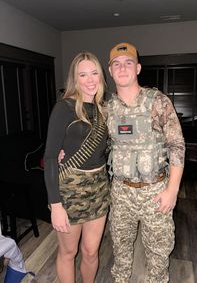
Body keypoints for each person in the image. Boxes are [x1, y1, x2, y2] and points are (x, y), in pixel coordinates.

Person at [106, 42, 185, 283]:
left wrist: (172, 190)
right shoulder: (106, 108)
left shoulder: (158, 102)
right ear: (110, 71)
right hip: (120, 192)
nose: (122, 68)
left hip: (155, 192)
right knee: (120, 251)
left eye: (128, 63)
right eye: (116, 64)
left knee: (159, 254)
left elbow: (177, 146)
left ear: (138, 68)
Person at [44, 52, 110, 283]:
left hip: (100, 188)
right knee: (69, 252)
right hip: (70, 190)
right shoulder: (64, 108)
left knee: (92, 251)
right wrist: (56, 205)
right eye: (83, 74)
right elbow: (51, 157)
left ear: (101, 77)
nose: (90, 79)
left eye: (94, 73)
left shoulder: (103, 109)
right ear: (75, 78)